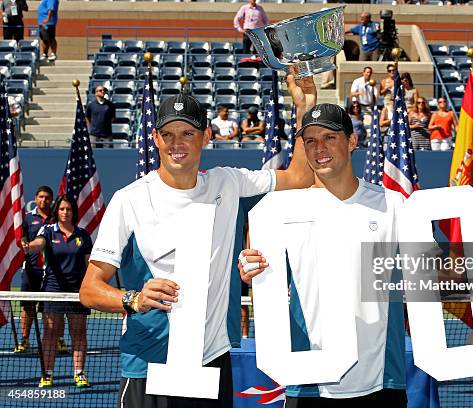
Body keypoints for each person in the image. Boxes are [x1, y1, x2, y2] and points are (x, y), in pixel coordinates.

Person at [237, 102, 473, 406]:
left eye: (329, 137)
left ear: (352, 141)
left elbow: (432, 274)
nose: (319, 148)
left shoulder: (392, 205)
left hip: (382, 381)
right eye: (310, 141)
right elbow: (262, 278)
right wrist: (251, 270)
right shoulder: (283, 211)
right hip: (309, 381)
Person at [79, 67, 315, 407]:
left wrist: (304, 108)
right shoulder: (129, 199)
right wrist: (133, 298)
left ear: (206, 136)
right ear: (156, 139)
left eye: (188, 133)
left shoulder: (228, 183)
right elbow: (89, 289)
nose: (178, 143)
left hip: (210, 362)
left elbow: (300, 176)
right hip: (150, 365)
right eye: (169, 134)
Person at [24, 195, 93, 389]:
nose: (65, 212)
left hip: (77, 291)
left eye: (68, 209)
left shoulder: (83, 235)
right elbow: (38, 243)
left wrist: (94, 283)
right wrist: (29, 247)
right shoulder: (47, 231)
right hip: (53, 289)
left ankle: (79, 373)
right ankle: (47, 374)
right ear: (57, 211)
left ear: (73, 212)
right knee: (51, 333)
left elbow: (88, 263)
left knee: (78, 333)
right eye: (62, 209)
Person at [15, 186, 69, 355]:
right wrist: (24, 243)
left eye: (47, 197)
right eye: (40, 197)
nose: (43, 200)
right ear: (36, 198)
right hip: (32, 270)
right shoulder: (28, 219)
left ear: (51, 199)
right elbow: (23, 237)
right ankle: (24, 340)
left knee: (56, 309)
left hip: (54, 272)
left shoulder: (57, 218)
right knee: (28, 307)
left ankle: (59, 339)